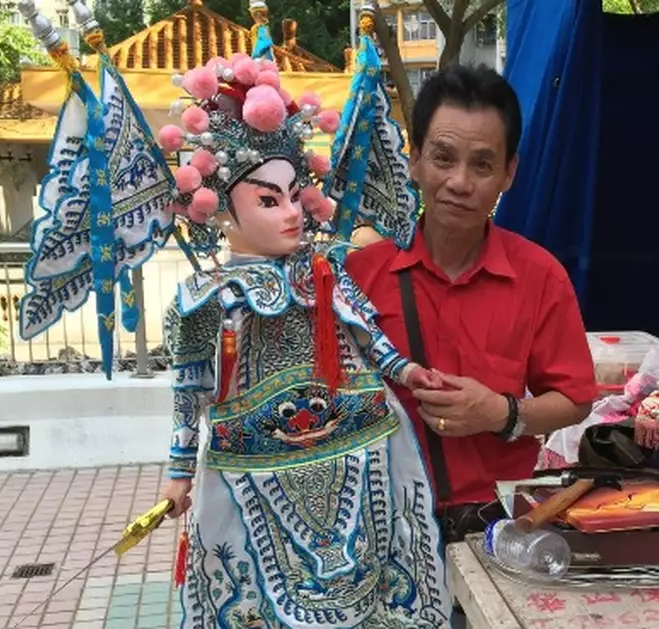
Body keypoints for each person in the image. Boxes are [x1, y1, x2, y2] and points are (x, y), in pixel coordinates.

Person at [147, 57, 451, 628]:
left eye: (293, 196)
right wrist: (179, 472)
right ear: (219, 209)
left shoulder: (326, 268)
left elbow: (369, 337)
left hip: (361, 450)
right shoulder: (204, 295)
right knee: (255, 595)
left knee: (377, 586)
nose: (289, 213)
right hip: (252, 465)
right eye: (268, 201)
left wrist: (408, 374)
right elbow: (189, 392)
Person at [345, 64, 599, 541]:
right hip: (379, 532)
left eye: (482, 164)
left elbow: (575, 399)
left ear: (508, 173)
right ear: (415, 158)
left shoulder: (540, 277)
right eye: (443, 158)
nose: (460, 182)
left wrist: (502, 414)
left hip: (493, 528)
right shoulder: (358, 277)